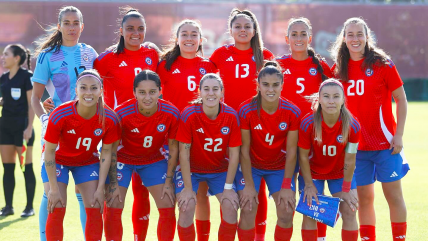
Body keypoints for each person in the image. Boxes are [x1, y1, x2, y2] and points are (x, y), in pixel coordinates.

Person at [330, 17, 409, 241]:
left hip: (386, 144)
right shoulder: (339, 69)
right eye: (350, 35)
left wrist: (399, 135)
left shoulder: (382, 64)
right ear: (344, 39)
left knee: (394, 196)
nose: (355, 39)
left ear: (367, 37)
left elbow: (401, 99)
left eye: (359, 34)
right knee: (363, 199)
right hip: (356, 148)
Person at [31, 6, 98, 240]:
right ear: (59, 26)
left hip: (87, 130)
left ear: (82, 26)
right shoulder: (47, 55)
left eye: (75, 22)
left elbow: (98, 90)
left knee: (85, 193)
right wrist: (45, 119)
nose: (71, 27)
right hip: (57, 130)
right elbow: (35, 98)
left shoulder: (90, 53)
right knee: (52, 191)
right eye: (67, 23)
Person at [93, 7, 159, 240]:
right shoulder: (106, 59)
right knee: (114, 196)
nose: (135, 33)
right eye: (130, 28)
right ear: (120, 31)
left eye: (140, 29)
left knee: (142, 192)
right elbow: (87, 86)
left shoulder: (152, 54)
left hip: (147, 133)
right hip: (117, 134)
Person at [209, 9, 274, 240]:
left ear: (255, 30)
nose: (243, 30)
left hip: (257, 126)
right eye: (238, 26)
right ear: (230, 30)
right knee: (226, 184)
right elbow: (207, 85)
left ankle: (259, 235)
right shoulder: (220, 54)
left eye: (247, 26)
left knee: (257, 186)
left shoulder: (265, 55)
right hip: (226, 127)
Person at [42, 69, 120, 241]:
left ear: (101, 91)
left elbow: (106, 152)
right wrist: (54, 189)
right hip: (58, 161)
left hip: (86, 161)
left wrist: (100, 188)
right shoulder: (61, 114)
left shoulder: (109, 118)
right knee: (57, 204)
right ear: (76, 90)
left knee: (95, 205)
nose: (88, 93)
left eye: (93, 88)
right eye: (83, 88)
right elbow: (49, 151)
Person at [157, 19, 216, 240]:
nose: (189, 38)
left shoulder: (209, 67)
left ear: (201, 40)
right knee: (169, 194)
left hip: (198, 137)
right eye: (185, 34)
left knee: (200, 194)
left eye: (194, 34)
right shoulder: (165, 65)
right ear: (177, 38)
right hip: (169, 136)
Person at [276, 17, 333, 240]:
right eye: (294, 34)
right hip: (283, 141)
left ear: (310, 38)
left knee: (315, 199)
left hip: (315, 142)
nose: (298, 38)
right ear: (286, 38)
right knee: (285, 203)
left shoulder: (321, 66)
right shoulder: (277, 65)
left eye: (303, 34)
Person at [109, 70, 178, 241]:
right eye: (142, 92)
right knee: (113, 203)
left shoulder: (171, 112)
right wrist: (112, 182)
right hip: (123, 160)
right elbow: (110, 150)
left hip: (152, 159)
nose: (147, 97)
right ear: (134, 93)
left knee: (168, 204)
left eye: (152, 92)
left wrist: (169, 182)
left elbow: (175, 149)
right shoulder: (121, 113)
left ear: (160, 91)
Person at [236, 61, 300, 241]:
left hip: (279, 167)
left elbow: (292, 152)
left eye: (275, 85)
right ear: (258, 85)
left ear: (282, 85)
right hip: (252, 166)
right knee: (248, 208)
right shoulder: (246, 110)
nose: (270, 89)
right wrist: (249, 185)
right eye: (265, 84)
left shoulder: (291, 112)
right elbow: (244, 151)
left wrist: (287, 185)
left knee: (287, 210)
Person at [175, 73, 241, 241]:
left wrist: (227, 188)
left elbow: (234, 155)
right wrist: (188, 189)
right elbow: (184, 153)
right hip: (192, 170)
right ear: (199, 92)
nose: (211, 93)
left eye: (215, 89)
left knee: (231, 206)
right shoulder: (189, 114)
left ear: (222, 92)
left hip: (219, 170)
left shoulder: (231, 116)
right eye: (206, 89)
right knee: (187, 206)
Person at [298, 79, 360, 241]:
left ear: (343, 99)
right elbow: (303, 157)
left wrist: (346, 188)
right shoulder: (308, 123)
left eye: (336, 96)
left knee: (350, 209)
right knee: (310, 212)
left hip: (340, 173)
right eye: (326, 96)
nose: (331, 101)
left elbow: (350, 158)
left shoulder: (352, 125)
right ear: (318, 99)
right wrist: (309, 185)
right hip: (312, 173)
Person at [0, 44, 36, 217]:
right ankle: (8, 207)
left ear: (16, 58)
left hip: (22, 128)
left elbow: (31, 104)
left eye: (6, 54)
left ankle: (29, 207)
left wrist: (29, 128)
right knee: (7, 168)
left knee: (25, 167)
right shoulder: (3, 77)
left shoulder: (26, 77)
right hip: (5, 127)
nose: (3, 57)